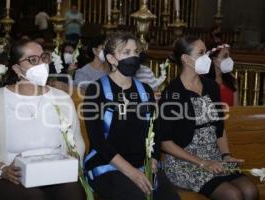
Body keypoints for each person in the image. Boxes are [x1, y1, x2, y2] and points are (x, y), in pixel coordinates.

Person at [0, 39, 86, 200]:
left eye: (43, 58)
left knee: (74, 194)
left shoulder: (61, 98)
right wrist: (1, 169)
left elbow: (77, 140)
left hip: (55, 173)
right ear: (17, 68)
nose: (41, 65)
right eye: (33, 60)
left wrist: (68, 163)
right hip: (11, 175)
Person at [156, 36, 259, 200]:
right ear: (186, 59)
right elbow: (165, 142)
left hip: (214, 158)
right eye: (201, 53)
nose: (206, 57)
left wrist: (226, 155)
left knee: (251, 191)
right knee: (233, 195)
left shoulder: (211, 86)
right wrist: (202, 163)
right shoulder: (172, 93)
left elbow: (219, 127)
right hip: (184, 163)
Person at [83, 32, 180, 200]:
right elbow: (98, 140)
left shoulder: (146, 90)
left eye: (136, 52)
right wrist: (131, 172)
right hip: (108, 164)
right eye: (126, 53)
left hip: (143, 164)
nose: (133, 57)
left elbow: (155, 131)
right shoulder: (96, 90)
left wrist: (154, 159)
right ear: (112, 59)